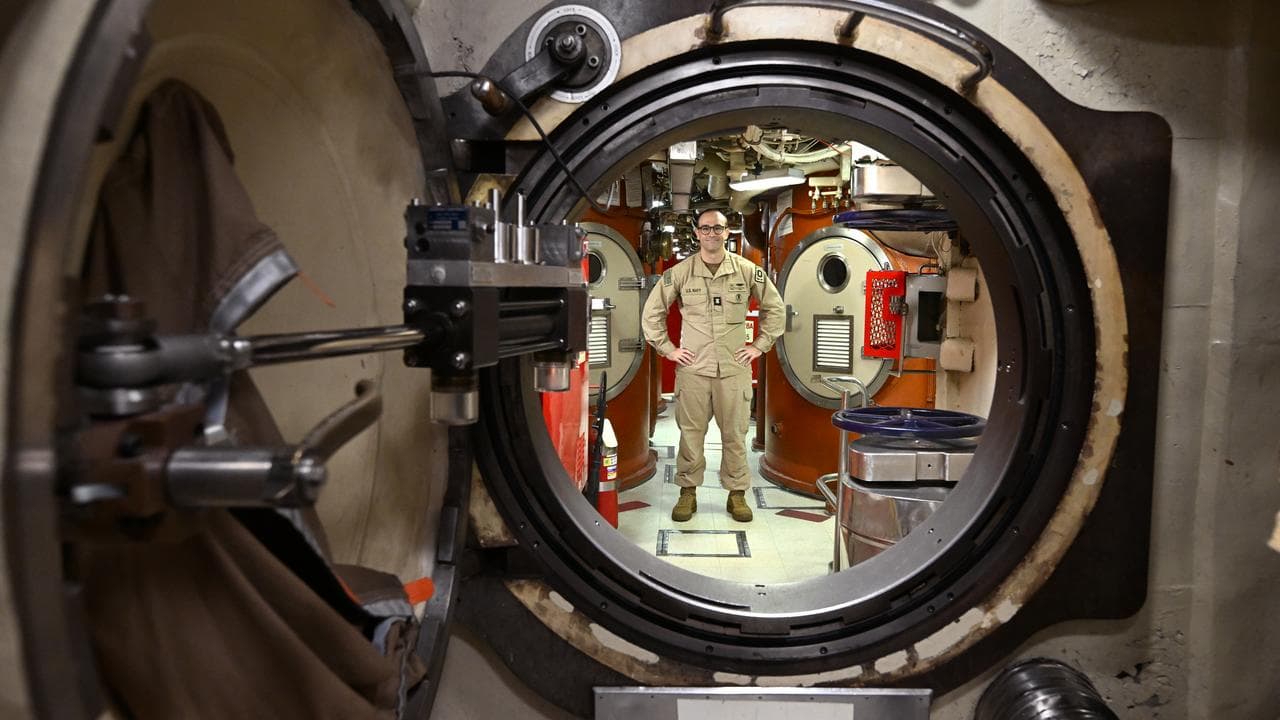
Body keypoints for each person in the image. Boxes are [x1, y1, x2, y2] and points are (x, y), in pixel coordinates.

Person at [642, 209, 785, 522]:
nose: (711, 234)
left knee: (734, 436)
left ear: (726, 231)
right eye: (705, 229)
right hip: (693, 370)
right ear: (696, 233)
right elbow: (652, 313)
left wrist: (759, 346)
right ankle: (687, 492)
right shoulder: (680, 273)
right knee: (691, 435)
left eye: (717, 228)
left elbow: (775, 309)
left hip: (734, 370)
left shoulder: (748, 271)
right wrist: (668, 349)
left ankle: (736, 495)